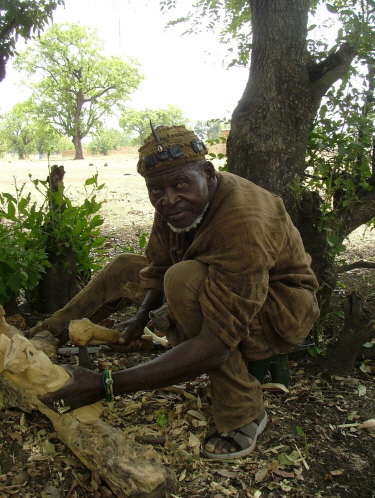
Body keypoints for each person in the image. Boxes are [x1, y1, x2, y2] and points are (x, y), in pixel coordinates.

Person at [34, 123, 320, 459]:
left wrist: (105, 384)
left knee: (183, 278)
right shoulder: (173, 203)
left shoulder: (245, 219)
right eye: (156, 191)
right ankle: (45, 335)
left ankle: (244, 410)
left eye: (181, 184)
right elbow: (155, 267)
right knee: (127, 266)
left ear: (209, 174)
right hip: (220, 285)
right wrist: (138, 321)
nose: (168, 199)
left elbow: (215, 345)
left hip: (278, 308)